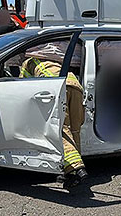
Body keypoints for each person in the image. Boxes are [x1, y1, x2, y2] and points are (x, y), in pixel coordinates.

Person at [20, 42, 87, 191]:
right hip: (75, 86)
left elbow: (21, 85)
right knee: (74, 130)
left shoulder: (28, 62)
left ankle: (76, 167)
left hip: (58, 89)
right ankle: (70, 173)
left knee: (60, 130)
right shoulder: (51, 58)